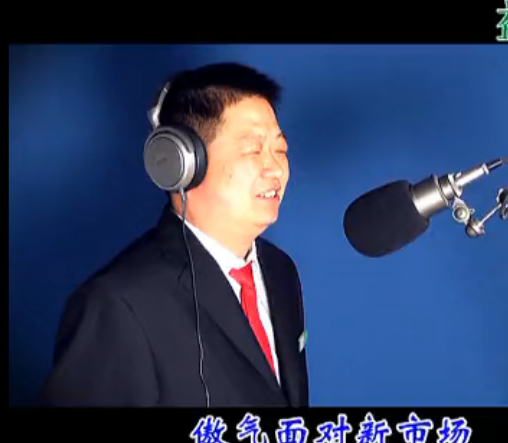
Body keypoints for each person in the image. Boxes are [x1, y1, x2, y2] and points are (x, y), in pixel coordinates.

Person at [38, 62, 308, 407]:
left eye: (280, 150)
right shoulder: (117, 305)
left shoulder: (280, 271)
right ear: (183, 162)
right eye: (253, 150)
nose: (276, 168)